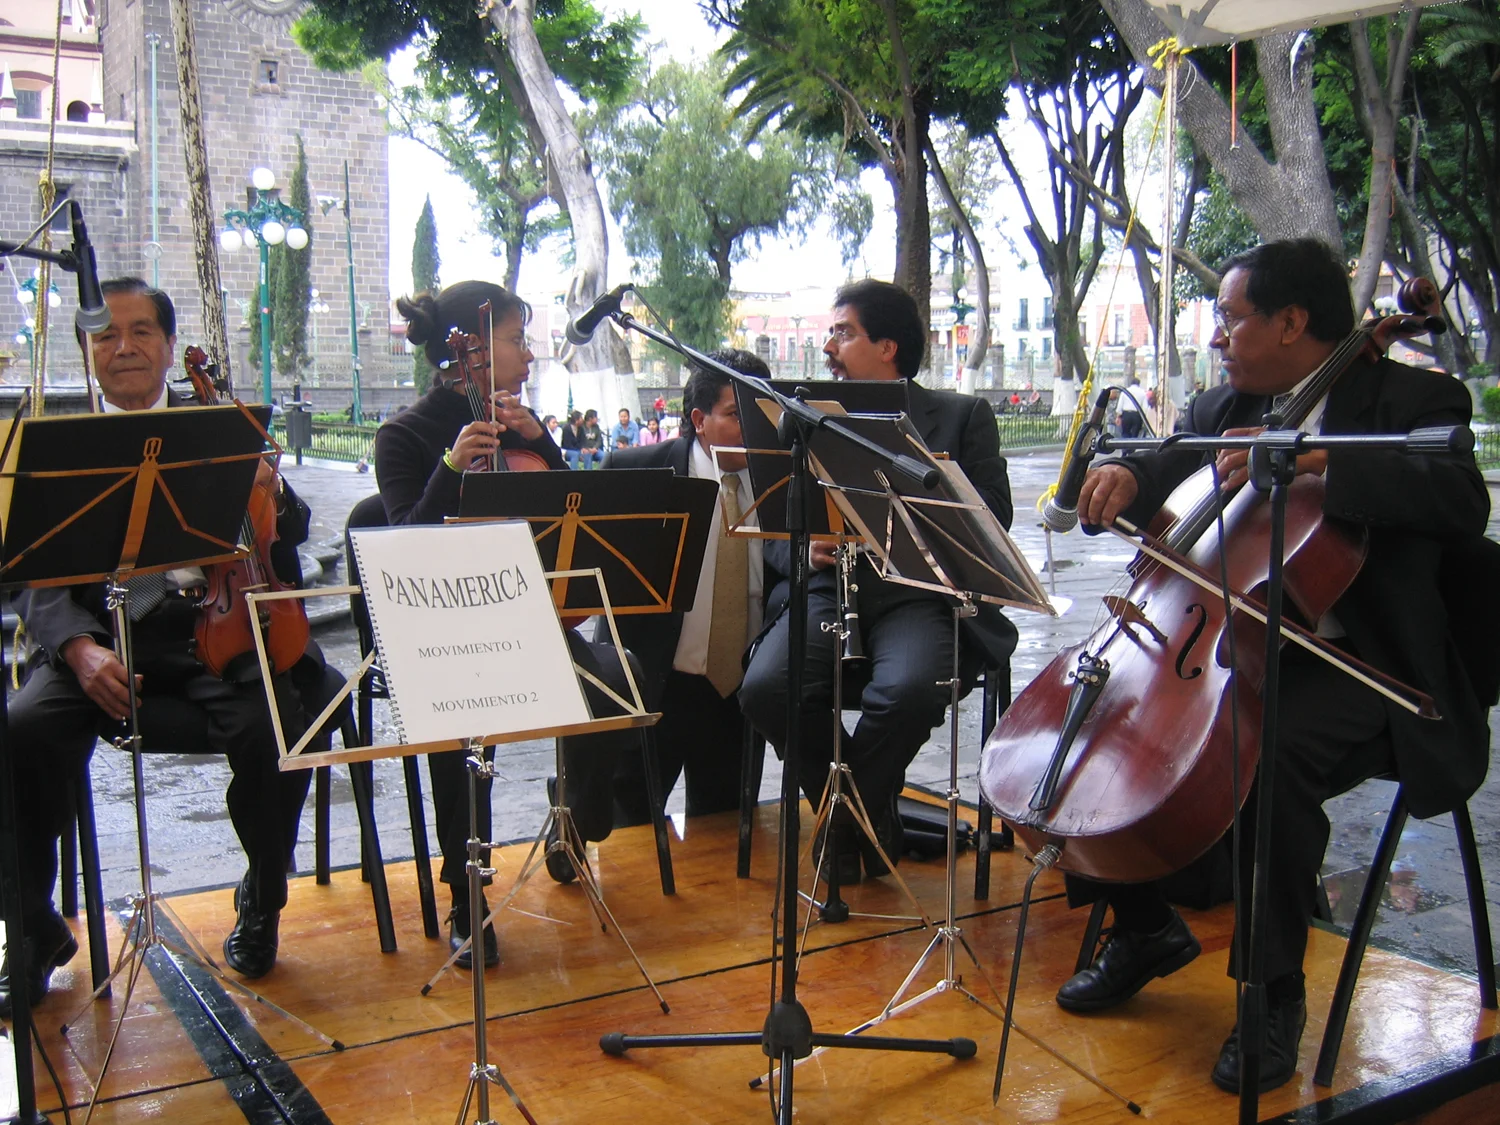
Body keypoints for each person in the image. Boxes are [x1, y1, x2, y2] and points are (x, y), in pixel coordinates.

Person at [1057, 238, 1492, 1094]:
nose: (1218, 336)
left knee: (1264, 747)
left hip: (1370, 664)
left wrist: (1333, 460)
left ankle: (1272, 990)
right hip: (1244, 643)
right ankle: (1143, 926)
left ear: (1291, 321)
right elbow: (1168, 458)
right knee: (1098, 714)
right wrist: (1123, 471)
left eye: (1231, 317)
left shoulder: (1411, 398)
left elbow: (1460, 497)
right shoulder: (1232, 401)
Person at [1, 278, 317, 1010]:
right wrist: (78, 649)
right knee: (20, 730)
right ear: (88, 352)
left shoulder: (217, 426)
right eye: (106, 335)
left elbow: (290, 534)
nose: (124, 347)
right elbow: (27, 573)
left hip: (212, 627)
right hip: (100, 639)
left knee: (276, 728)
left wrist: (272, 486)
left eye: (141, 331)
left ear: (170, 346)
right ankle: (33, 926)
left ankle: (263, 895)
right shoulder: (55, 444)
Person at [377, 280, 646, 965]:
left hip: (533, 623)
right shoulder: (404, 436)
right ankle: (467, 891)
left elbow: (575, 517)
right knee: (461, 722)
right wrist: (450, 466)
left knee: (620, 678)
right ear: (468, 349)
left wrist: (544, 445)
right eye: (516, 340)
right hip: (446, 634)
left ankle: (573, 818)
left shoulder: (523, 426)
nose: (529, 355)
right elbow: (401, 545)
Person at [738, 280, 1018, 882]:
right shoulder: (800, 417)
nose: (828, 347)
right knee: (765, 688)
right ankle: (870, 812)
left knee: (911, 689)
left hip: (918, 596)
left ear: (887, 346)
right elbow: (772, 528)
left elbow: (995, 518)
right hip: (828, 587)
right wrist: (802, 548)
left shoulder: (961, 415)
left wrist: (933, 499)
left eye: (843, 333)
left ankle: (846, 818)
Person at [603, 351, 768, 826]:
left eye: (762, 413)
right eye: (737, 414)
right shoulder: (637, 472)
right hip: (656, 682)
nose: (754, 428)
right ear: (699, 420)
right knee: (627, 831)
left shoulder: (785, 480)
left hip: (739, 693)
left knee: (722, 834)